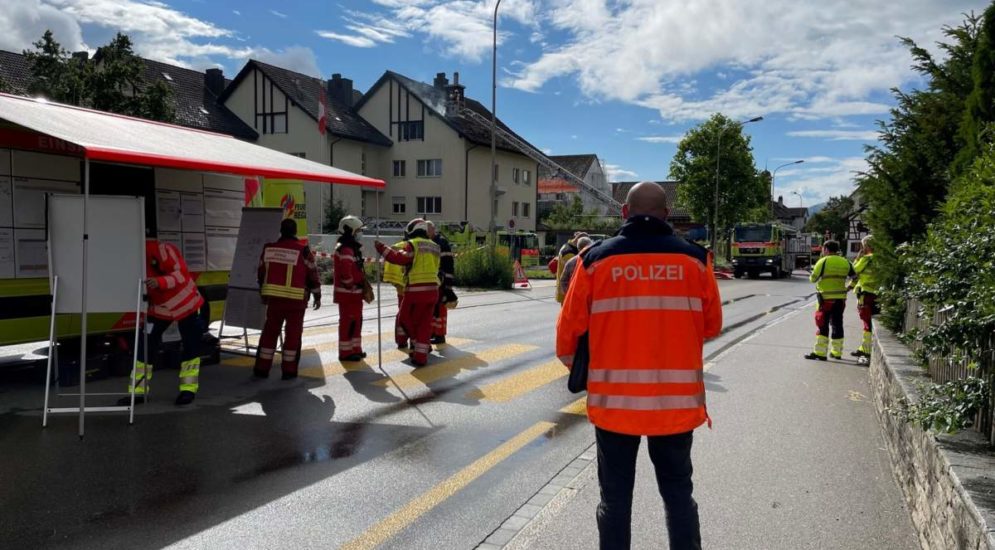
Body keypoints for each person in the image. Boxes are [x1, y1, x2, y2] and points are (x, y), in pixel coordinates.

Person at [557, 182, 722, 550]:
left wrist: (590, 373)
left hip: (615, 408)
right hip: (676, 408)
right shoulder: (696, 259)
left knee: (615, 500)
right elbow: (711, 326)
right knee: (678, 494)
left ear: (624, 212)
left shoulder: (594, 261)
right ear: (667, 215)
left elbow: (566, 337)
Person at [121, 233, 206, 406]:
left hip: (186, 305)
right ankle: (137, 392)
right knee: (145, 347)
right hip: (158, 308)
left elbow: (181, 273)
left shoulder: (163, 249)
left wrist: (159, 282)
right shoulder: (130, 255)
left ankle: (188, 390)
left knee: (190, 347)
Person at [253, 219, 321, 380]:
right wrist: (317, 295)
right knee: (292, 336)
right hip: (296, 301)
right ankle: (289, 371)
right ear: (295, 231)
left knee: (269, 333)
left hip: (274, 300)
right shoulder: (303, 251)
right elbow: (313, 274)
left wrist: (263, 293)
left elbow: (261, 272)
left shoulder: (268, 249)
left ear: (281, 231)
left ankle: (262, 369)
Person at [375, 218, 441, 366]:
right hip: (433, 291)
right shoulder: (435, 246)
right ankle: (420, 357)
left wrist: (382, 249)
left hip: (415, 290)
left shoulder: (413, 244)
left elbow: (399, 258)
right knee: (424, 323)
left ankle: (416, 341)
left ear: (413, 229)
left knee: (404, 318)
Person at [804, 240, 855, 361]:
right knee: (837, 324)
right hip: (840, 300)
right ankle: (836, 352)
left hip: (825, 300)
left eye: (823, 249)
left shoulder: (823, 261)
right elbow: (855, 278)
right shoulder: (846, 262)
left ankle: (820, 353)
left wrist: (811, 273)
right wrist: (849, 288)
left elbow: (813, 279)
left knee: (822, 324)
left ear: (826, 249)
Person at [334, 215, 369, 362]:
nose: (360, 233)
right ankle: (346, 353)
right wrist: (352, 284)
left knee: (356, 322)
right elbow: (345, 271)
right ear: (351, 230)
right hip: (348, 293)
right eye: (359, 230)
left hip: (354, 294)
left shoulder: (351, 248)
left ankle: (355, 349)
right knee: (348, 323)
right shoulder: (346, 249)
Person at [849, 235, 878, 361]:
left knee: (867, 323)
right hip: (878, 294)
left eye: (863, 245)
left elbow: (853, 271)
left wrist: (858, 258)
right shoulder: (882, 259)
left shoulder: (867, 259)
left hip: (866, 294)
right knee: (875, 321)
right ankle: (866, 348)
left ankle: (866, 350)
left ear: (866, 246)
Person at [427, 220, 456, 344]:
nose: (426, 233)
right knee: (434, 309)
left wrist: (448, 285)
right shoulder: (430, 243)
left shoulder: (442, 243)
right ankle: (434, 332)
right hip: (433, 281)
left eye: (427, 230)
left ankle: (440, 335)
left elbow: (449, 264)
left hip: (442, 281)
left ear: (433, 230)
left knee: (441, 309)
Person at [382, 232, 411, 350]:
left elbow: (389, 263)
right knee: (413, 315)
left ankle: (401, 340)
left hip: (399, 285)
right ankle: (415, 341)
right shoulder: (414, 247)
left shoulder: (396, 246)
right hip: (412, 285)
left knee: (401, 312)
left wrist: (394, 282)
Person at [557, 236, 593, 302]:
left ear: (578, 248)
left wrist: (569, 293)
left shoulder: (571, 261)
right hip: (588, 299)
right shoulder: (594, 260)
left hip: (573, 298)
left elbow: (563, 280)